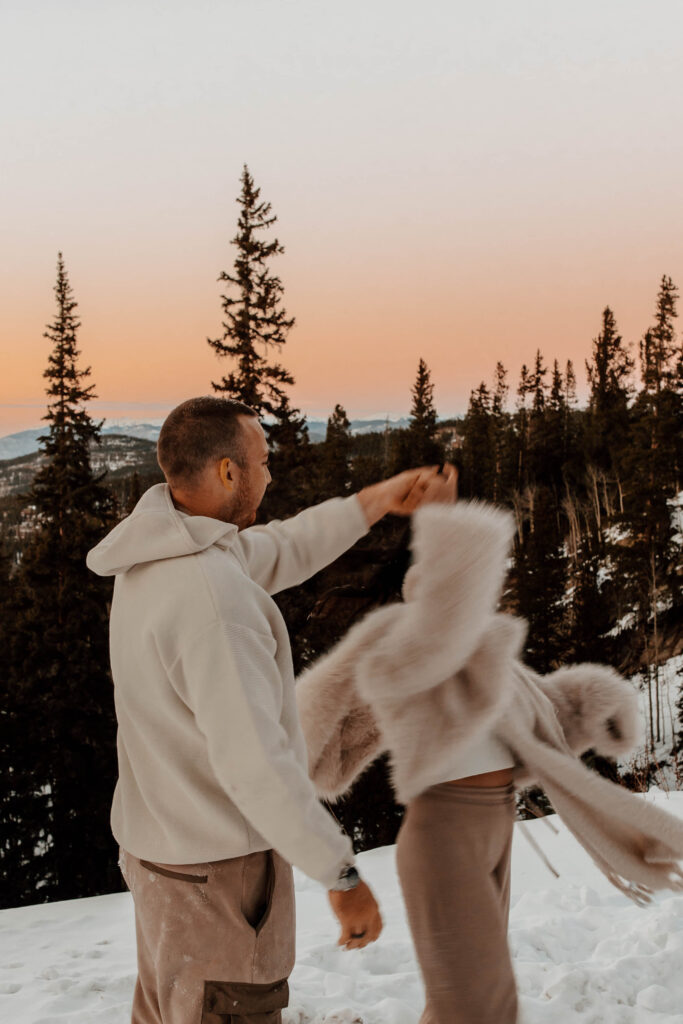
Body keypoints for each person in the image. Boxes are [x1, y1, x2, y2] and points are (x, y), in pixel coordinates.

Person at [87, 395, 456, 1024]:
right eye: (261, 461)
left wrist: (377, 500)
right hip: (218, 881)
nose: (270, 473)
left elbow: (282, 548)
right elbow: (255, 765)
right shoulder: (213, 602)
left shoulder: (159, 557)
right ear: (228, 472)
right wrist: (341, 877)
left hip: (164, 863)